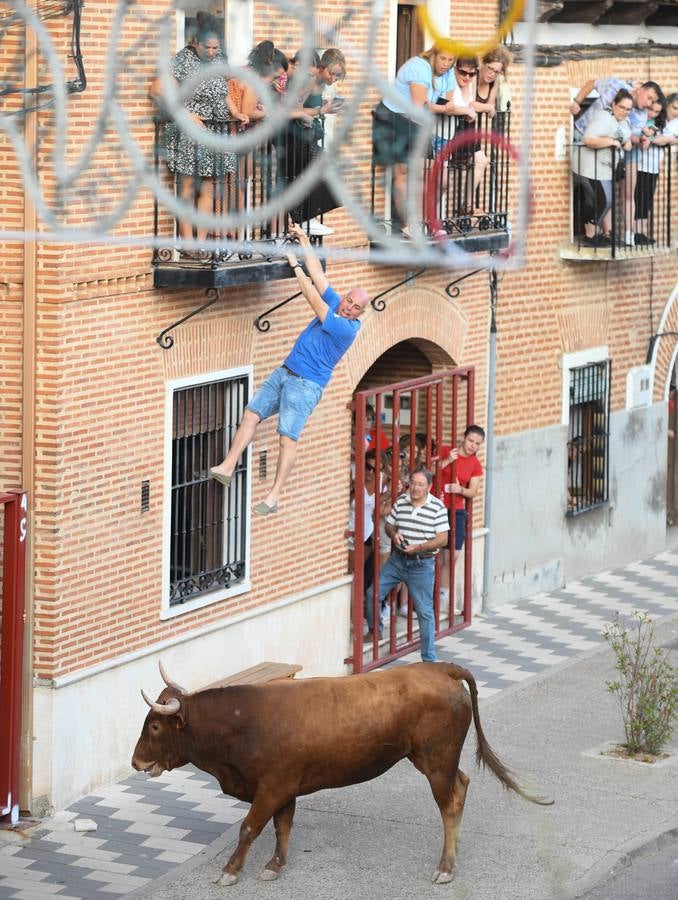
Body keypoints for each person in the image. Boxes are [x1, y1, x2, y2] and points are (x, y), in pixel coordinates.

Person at [209, 223, 369, 514]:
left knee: (287, 438)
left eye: (356, 307)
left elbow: (312, 299)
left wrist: (293, 263)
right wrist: (304, 241)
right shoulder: (335, 303)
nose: (349, 307)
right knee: (251, 413)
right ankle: (228, 465)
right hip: (286, 371)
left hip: (306, 384)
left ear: (360, 313)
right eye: (349, 301)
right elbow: (318, 276)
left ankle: (273, 496)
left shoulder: (346, 328)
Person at [149, 17, 248, 257]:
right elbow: (156, 90)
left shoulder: (220, 58)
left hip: (214, 132)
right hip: (189, 133)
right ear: (195, 43)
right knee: (186, 187)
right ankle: (187, 243)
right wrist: (185, 113)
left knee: (209, 188)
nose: (213, 52)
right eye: (208, 47)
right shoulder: (183, 60)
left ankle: (202, 244)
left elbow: (219, 90)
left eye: (216, 47)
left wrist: (236, 112)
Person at [364, 466, 448, 661]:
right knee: (372, 593)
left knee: (425, 611)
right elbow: (389, 525)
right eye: (413, 483)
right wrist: (394, 535)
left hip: (422, 564)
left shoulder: (437, 507)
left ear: (429, 486)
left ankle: (429, 658)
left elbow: (443, 539)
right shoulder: (401, 501)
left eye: (420, 484)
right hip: (398, 560)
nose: (415, 488)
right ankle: (375, 631)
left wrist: (420, 547)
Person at [372, 44, 457, 237]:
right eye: (443, 58)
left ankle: (426, 220)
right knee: (403, 173)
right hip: (395, 117)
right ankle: (408, 225)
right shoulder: (419, 67)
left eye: (450, 60)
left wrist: (443, 107)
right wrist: (443, 109)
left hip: (419, 123)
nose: (446, 64)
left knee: (439, 177)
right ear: (433, 55)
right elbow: (422, 104)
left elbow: (447, 102)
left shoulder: (448, 73)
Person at [278, 48, 347, 236]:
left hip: (303, 134)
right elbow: (296, 109)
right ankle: (304, 218)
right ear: (321, 68)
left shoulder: (318, 83)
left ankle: (308, 217)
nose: (333, 79)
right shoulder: (307, 81)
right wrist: (321, 111)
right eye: (332, 74)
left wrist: (322, 110)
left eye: (337, 76)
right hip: (293, 135)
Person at [571, 89, 633, 247]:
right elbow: (589, 139)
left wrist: (626, 143)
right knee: (605, 200)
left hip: (604, 168)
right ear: (613, 104)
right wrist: (612, 142)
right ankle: (590, 236)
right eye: (622, 107)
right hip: (589, 166)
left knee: (597, 201)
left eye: (628, 109)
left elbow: (626, 139)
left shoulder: (623, 121)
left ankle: (593, 235)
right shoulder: (603, 118)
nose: (625, 111)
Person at [438, 425, 484, 609]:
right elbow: (429, 473)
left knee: (453, 555)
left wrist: (460, 490)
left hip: (457, 509)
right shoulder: (446, 451)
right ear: (463, 438)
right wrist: (448, 460)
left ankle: (443, 598)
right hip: (438, 507)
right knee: (433, 553)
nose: (473, 446)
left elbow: (473, 491)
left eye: (477, 444)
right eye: (471, 440)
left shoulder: (475, 464)